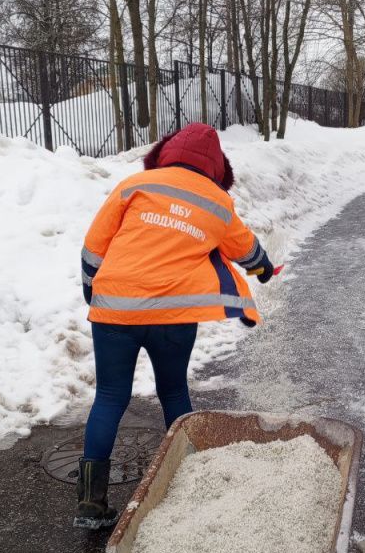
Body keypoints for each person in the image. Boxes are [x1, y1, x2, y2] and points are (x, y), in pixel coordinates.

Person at [75, 122, 276, 530]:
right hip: (175, 314)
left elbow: (95, 244)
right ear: (217, 167)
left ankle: (91, 502)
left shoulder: (135, 186)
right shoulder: (218, 203)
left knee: (110, 397)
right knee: (173, 390)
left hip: (115, 309)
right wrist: (263, 268)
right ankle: (186, 481)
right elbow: (245, 248)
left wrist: (91, 289)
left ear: (166, 153)